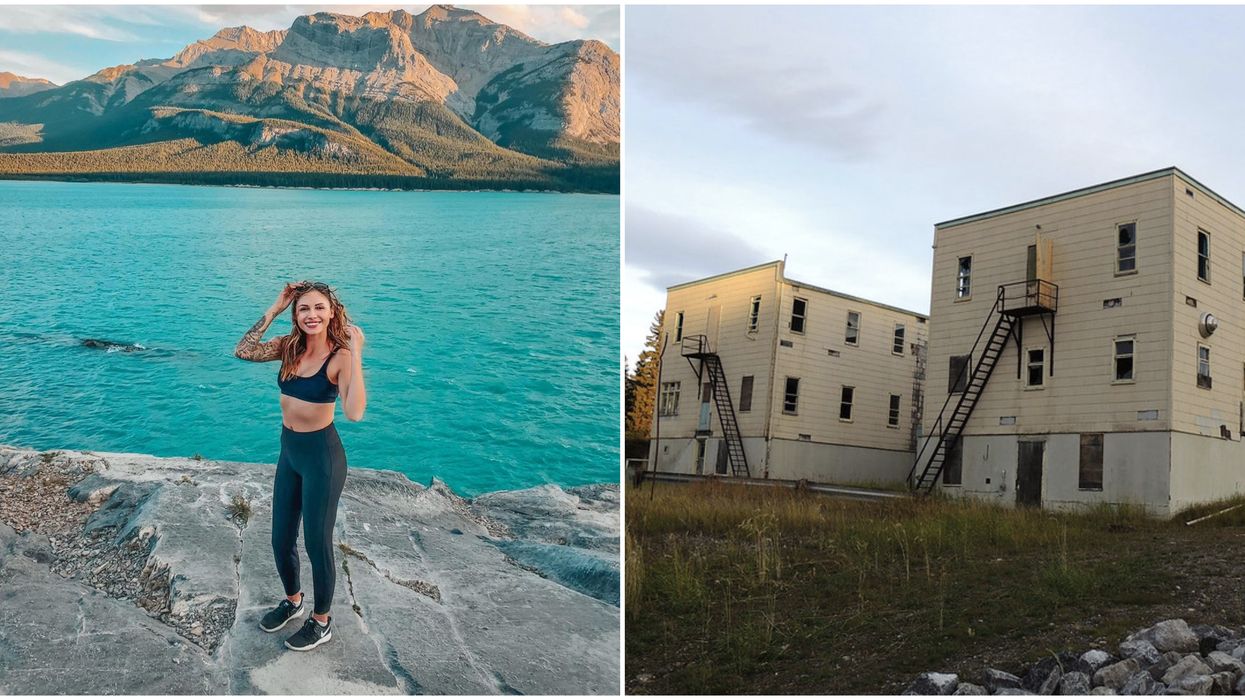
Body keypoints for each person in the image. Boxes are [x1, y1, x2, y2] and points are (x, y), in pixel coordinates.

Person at [234, 281, 367, 651]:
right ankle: (294, 601)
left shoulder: (340, 357)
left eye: (319, 308)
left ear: (332, 313)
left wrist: (355, 353)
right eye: (303, 308)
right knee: (280, 538)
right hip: (289, 452)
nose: (312, 315)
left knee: (316, 542)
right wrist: (275, 306)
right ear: (296, 314)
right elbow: (242, 351)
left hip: (322, 457)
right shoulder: (288, 347)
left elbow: (354, 413)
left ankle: (321, 622)